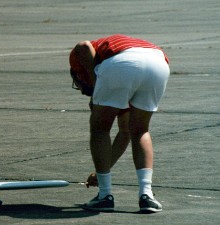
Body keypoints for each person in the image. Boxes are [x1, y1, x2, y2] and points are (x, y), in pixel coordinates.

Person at [69, 34, 170, 212]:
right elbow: (124, 134)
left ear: (79, 75)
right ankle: (147, 195)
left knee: (100, 129)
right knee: (140, 131)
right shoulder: (109, 60)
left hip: (121, 63)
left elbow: (83, 46)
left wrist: (95, 90)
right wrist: (101, 171)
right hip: (158, 63)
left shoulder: (80, 62)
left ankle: (105, 196)